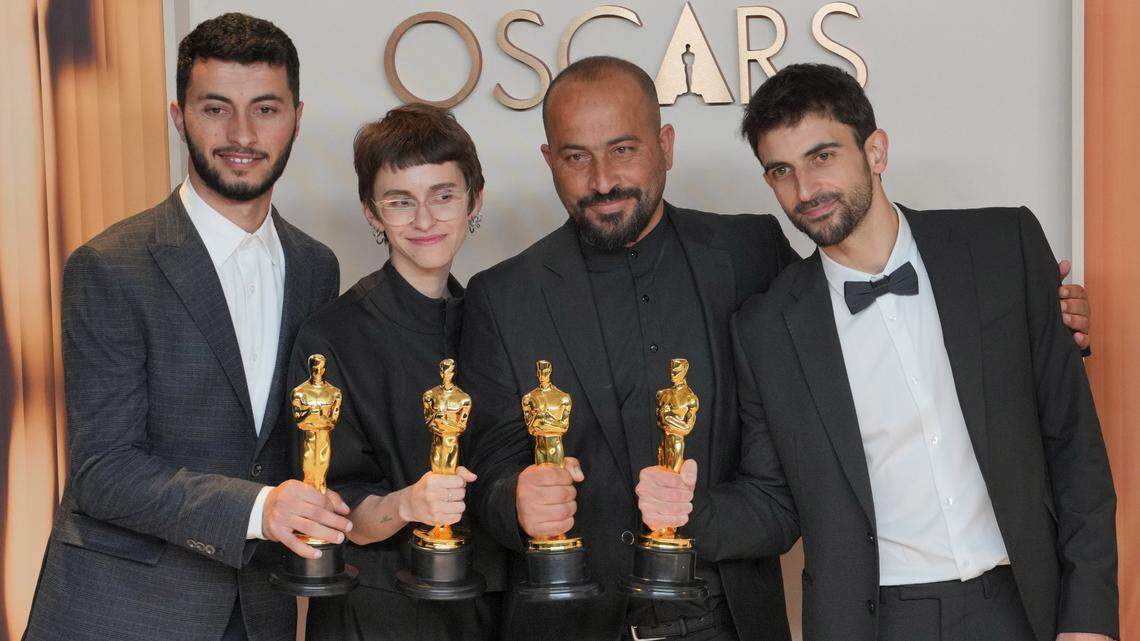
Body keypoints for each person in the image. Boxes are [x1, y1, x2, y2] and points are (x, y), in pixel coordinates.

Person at [461, 56, 1095, 641]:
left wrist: (1048, 313)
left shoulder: (752, 255)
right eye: (576, 158)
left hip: (734, 619)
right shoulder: (501, 295)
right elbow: (489, 462)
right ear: (548, 159)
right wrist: (514, 500)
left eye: (623, 149)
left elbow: (870, 286)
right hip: (571, 620)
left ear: (665, 146)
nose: (602, 180)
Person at [728, 63, 1117, 641]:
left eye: (823, 156)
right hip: (875, 621)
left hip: (1021, 604)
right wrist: (676, 515)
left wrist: (1088, 622)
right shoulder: (764, 329)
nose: (805, 190)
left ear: (876, 151)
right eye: (781, 171)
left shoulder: (1002, 249)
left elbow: (1074, 448)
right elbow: (772, 501)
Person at [22, 12, 351, 641]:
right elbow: (103, 470)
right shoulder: (109, 266)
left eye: (265, 108)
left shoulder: (317, 267)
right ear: (179, 116)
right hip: (126, 611)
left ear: (297, 118)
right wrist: (259, 509)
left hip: (262, 608)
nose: (242, 133)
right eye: (215, 108)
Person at [291, 103, 499, 641]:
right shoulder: (331, 337)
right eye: (400, 202)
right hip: (378, 614)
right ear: (371, 212)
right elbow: (337, 510)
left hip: (483, 607)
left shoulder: (495, 319)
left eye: (443, 196)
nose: (425, 221)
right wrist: (409, 502)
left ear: (475, 198)